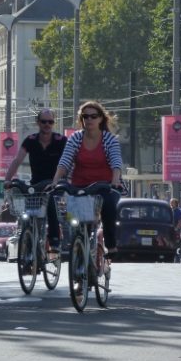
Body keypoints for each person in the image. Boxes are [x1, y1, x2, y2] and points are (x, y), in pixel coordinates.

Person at [50, 100, 124, 259]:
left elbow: (116, 163)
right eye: (85, 116)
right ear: (81, 119)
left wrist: (115, 181)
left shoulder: (109, 139)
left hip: (104, 186)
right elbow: (65, 161)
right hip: (79, 186)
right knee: (73, 218)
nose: (89, 119)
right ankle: (77, 243)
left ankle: (110, 244)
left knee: (108, 206)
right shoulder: (76, 138)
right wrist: (55, 181)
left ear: (101, 119)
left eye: (93, 116)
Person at [4, 109, 67, 250]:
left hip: (55, 184)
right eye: (44, 122)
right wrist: (8, 179)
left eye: (50, 122)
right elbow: (17, 160)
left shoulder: (61, 140)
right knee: (29, 213)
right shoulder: (31, 140)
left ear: (53, 123)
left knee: (51, 204)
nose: (47, 124)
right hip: (36, 185)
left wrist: (66, 179)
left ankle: (54, 241)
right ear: (38, 123)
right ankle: (28, 239)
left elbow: (70, 161)